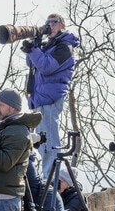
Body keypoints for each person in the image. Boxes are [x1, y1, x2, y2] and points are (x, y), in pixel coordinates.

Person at [20, 13, 80, 179]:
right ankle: (50, 182)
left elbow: (46, 66)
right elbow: (32, 63)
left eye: (54, 22)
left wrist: (34, 50)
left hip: (49, 99)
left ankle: (51, 185)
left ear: (63, 25)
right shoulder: (50, 46)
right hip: (41, 99)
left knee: (49, 145)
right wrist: (33, 46)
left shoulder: (64, 47)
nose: (50, 26)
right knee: (42, 144)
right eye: (48, 23)